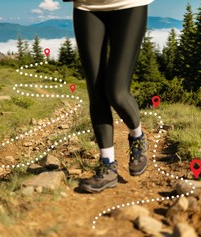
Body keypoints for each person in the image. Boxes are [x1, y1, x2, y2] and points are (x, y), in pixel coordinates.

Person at [63, 0, 154, 193]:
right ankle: (107, 165)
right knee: (96, 90)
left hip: (128, 4)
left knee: (116, 92)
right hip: (86, 7)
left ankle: (138, 137)